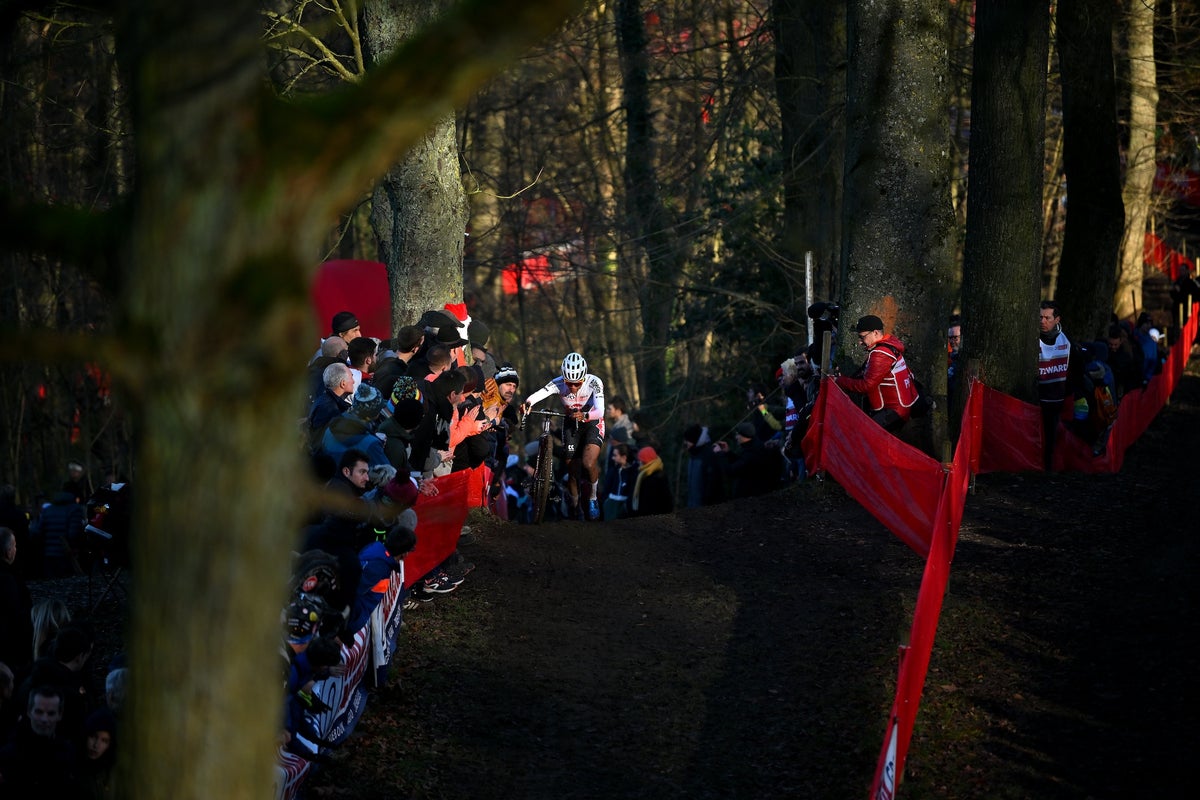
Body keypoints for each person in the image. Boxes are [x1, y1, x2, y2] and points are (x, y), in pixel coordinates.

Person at [520, 352, 606, 521]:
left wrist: (585, 416)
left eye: (577, 383)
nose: (573, 388)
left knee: (588, 463)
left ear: (584, 377)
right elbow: (538, 395)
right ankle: (575, 506)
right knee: (572, 471)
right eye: (569, 383)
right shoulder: (558, 383)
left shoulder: (594, 382)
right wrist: (528, 404)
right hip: (570, 423)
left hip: (591, 422)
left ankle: (593, 498)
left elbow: (600, 411)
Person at [834, 314, 920, 433]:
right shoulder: (889, 346)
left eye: (862, 337)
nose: (860, 342)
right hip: (898, 409)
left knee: (860, 436)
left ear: (875, 333)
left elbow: (867, 385)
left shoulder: (880, 354)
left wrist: (839, 381)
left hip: (891, 412)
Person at [0, 685, 79, 794]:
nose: (44, 719)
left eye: (51, 713)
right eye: (39, 712)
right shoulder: (9, 753)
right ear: (29, 712)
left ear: (59, 715)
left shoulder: (68, 752)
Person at [1037, 300, 1073, 471]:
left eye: (1047, 318)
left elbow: (1074, 369)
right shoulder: (1032, 341)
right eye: (1040, 317)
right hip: (1036, 401)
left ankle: (1051, 468)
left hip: (1058, 402)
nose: (1042, 321)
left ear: (1057, 320)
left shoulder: (1066, 341)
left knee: (1053, 438)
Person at [29, 490, 85, 578]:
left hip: (49, 555)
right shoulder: (75, 509)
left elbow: (38, 531)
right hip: (66, 555)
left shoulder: (47, 510)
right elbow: (73, 534)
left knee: (51, 584)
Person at [715, 422, 780, 498]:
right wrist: (728, 452)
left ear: (743, 436)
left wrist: (720, 453)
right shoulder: (754, 446)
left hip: (750, 498)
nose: (736, 437)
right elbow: (741, 462)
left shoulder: (751, 453)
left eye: (737, 434)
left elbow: (731, 471)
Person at [0, 528, 33, 674]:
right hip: (9, 650)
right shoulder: (8, 579)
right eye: (14, 545)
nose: (16, 549)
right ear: (8, 552)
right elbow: (17, 614)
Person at [682, 424, 724, 507]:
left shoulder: (709, 456)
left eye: (688, 440)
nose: (685, 442)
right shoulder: (693, 455)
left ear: (695, 440)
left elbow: (712, 487)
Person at [630, 446, 673, 516]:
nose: (639, 462)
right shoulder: (643, 474)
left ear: (646, 461)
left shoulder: (655, 477)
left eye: (641, 460)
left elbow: (666, 501)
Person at [601, 443, 636, 521]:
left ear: (623, 457)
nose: (612, 458)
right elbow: (607, 488)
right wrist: (605, 502)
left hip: (624, 506)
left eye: (615, 455)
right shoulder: (613, 471)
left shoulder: (633, 472)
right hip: (610, 505)